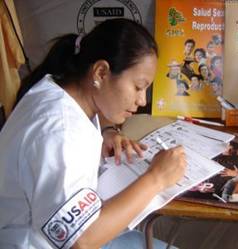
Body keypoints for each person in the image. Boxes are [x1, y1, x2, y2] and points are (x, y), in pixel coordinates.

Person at [0, 18, 186, 249]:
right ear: (100, 72)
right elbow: (81, 241)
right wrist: (156, 178)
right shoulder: (58, 130)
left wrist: (105, 133)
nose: (142, 100)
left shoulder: (58, 90)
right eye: (138, 87)